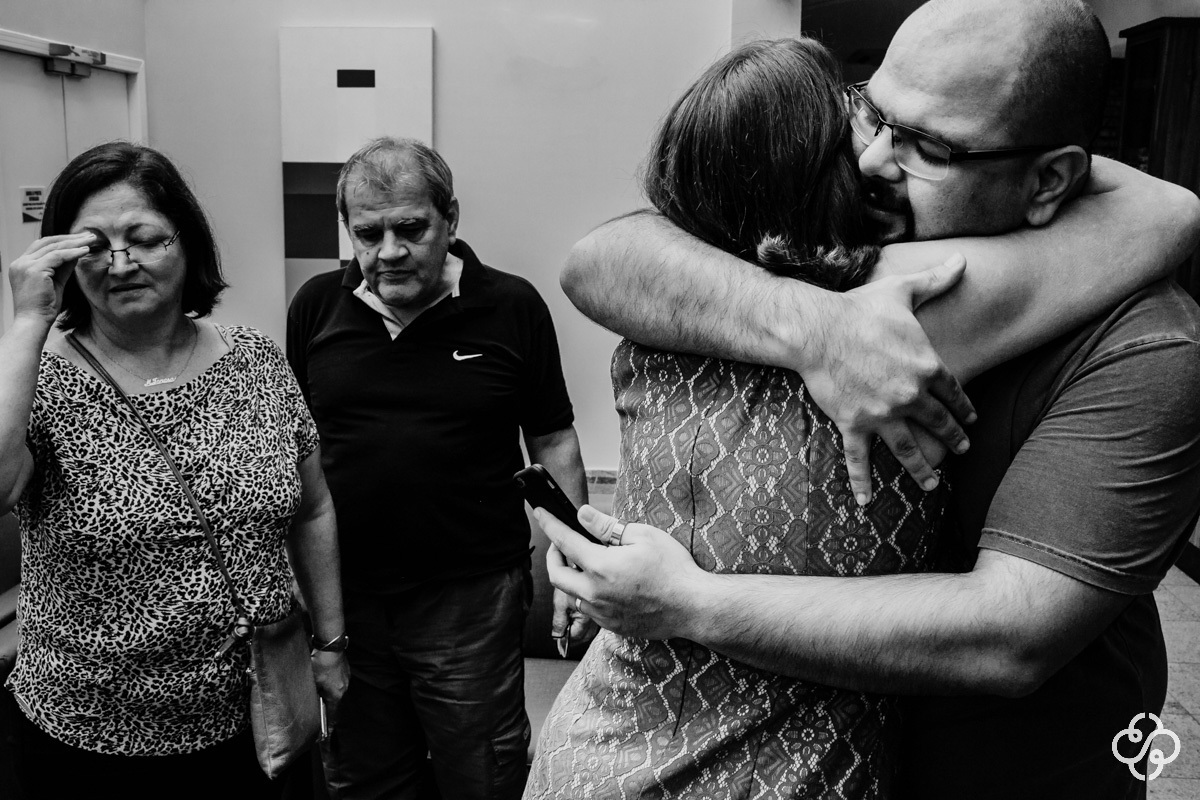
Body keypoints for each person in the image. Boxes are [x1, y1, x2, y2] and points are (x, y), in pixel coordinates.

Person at [540, 1, 1200, 798]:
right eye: (872, 111)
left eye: (928, 146)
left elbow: (1010, 636)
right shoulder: (854, 249)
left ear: (1052, 177)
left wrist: (687, 602)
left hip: (1025, 770)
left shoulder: (1149, 346)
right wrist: (817, 328)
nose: (876, 159)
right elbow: (602, 259)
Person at [0, 141, 348, 800]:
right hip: (89, 743)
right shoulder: (36, 381)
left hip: (252, 726)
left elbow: (313, 507)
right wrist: (26, 323)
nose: (120, 263)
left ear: (186, 244)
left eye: (144, 238)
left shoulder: (255, 361)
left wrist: (331, 639)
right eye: (93, 246)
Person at [287, 136, 587, 800]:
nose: (389, 251)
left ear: (450, 218)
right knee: (365, 776)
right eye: (368, 233)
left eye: (410, 228)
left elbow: (554, 440)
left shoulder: (511, 306)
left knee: (482, 769)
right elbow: (300, 455)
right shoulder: (316, 307)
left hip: (470, 596)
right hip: (349, 599)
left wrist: (576, 564)